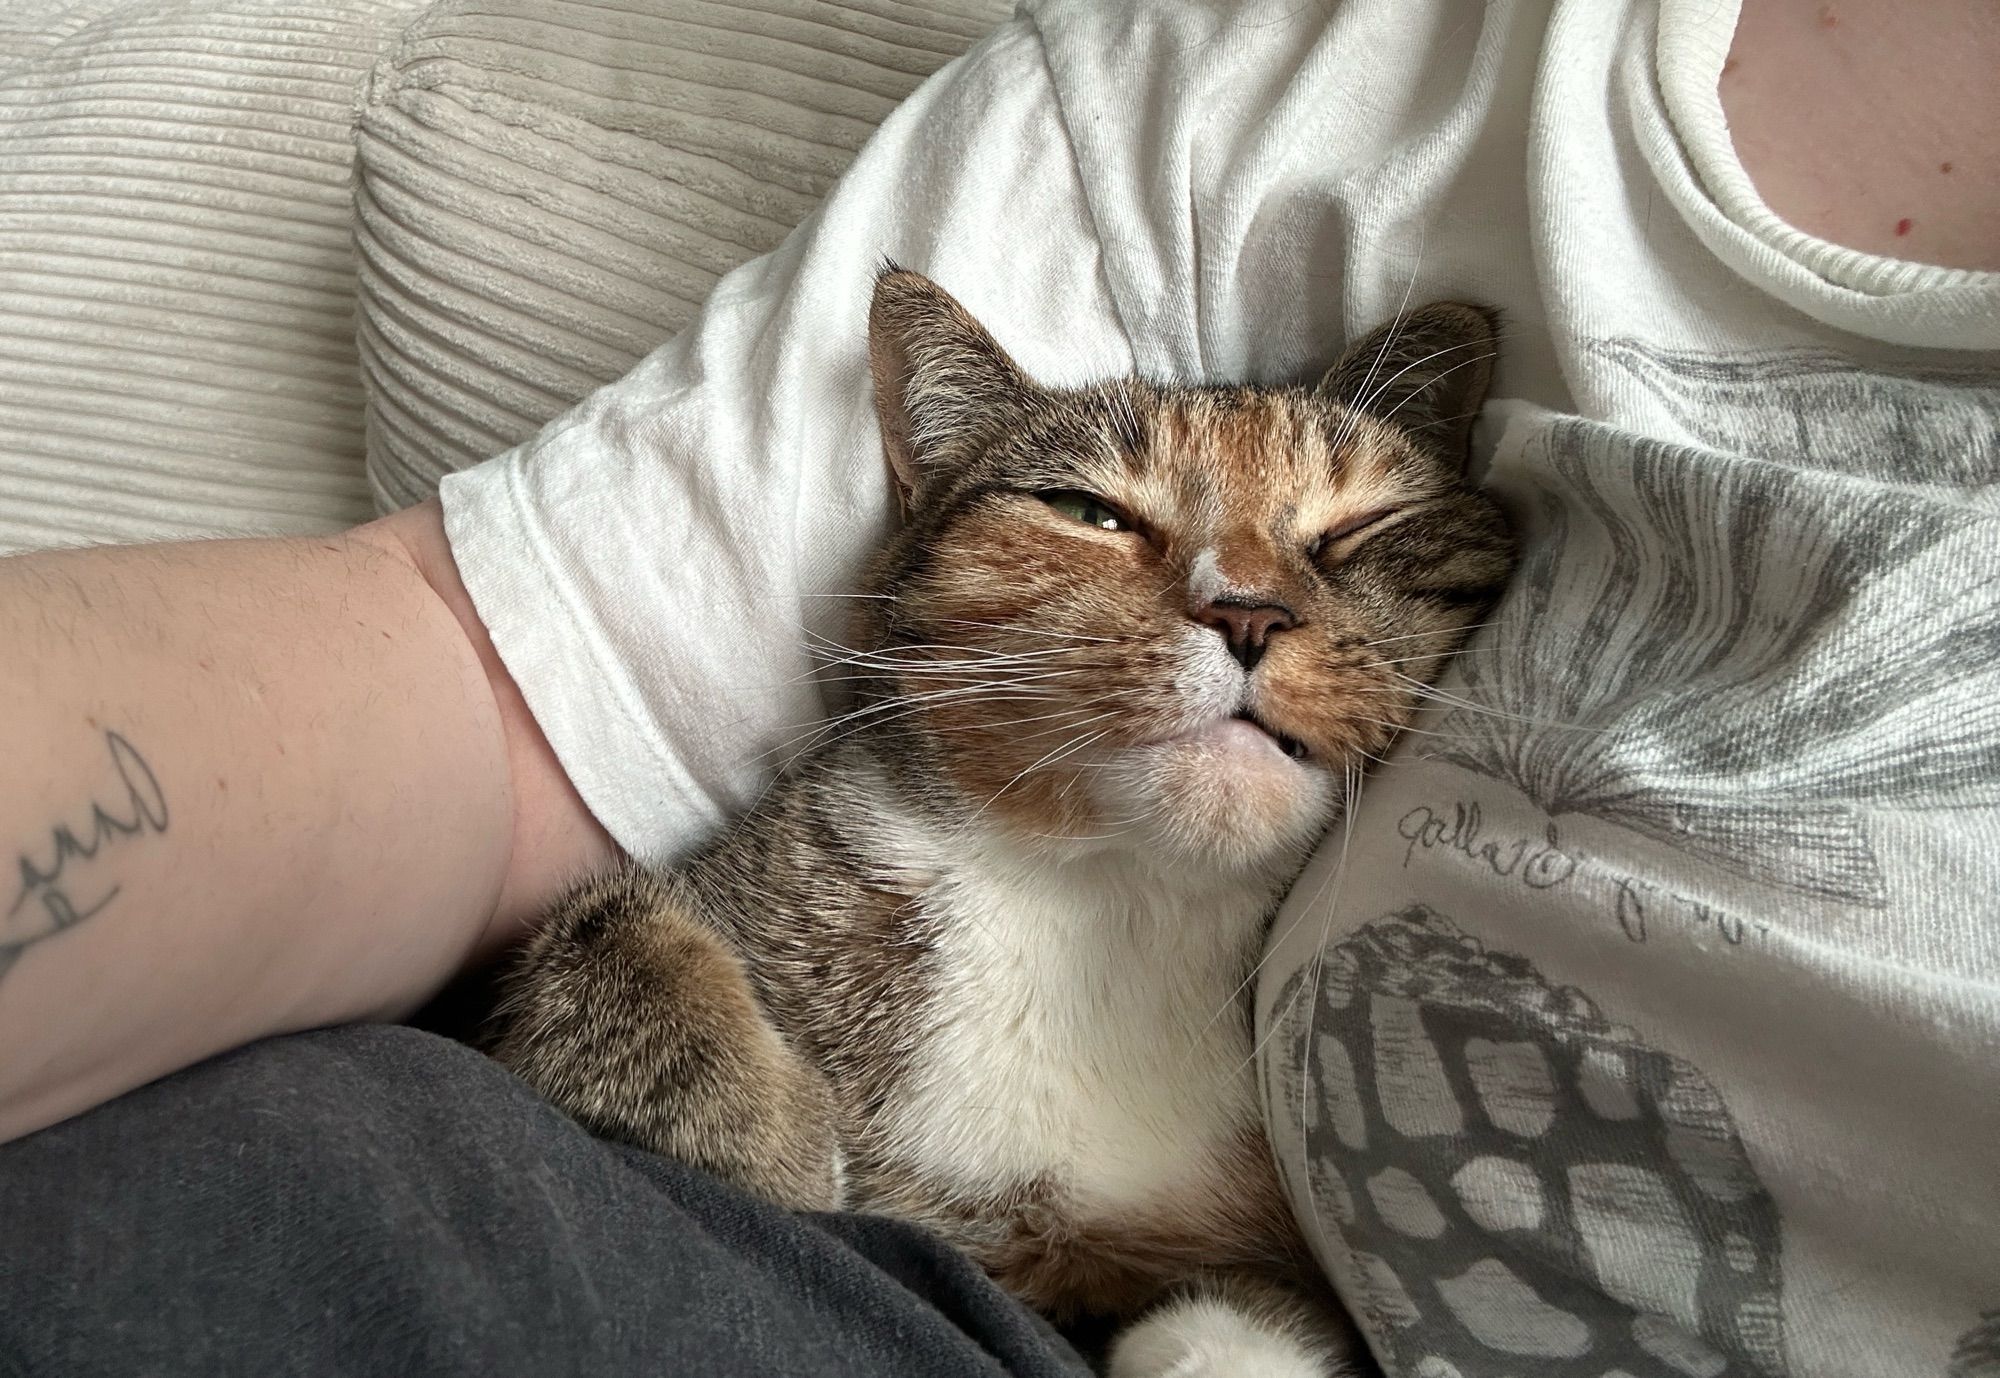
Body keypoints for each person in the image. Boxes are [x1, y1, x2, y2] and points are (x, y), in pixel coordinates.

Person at [2, 0, 1996, 1373]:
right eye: (1095, 513)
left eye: (1352, 543)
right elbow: (484, 697)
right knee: (234, 1172)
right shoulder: (1292, 82)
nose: (1235, 594)